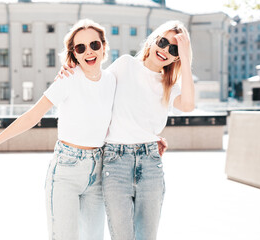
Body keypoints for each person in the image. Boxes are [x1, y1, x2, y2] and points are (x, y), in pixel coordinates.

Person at [0, 19, 117, 240]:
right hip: (67, 170)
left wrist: (155, 137)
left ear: (103, 46)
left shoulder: (112, 80)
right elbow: (32, 116)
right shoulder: (67, 80)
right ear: (74, 54)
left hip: (98, 172)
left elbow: (128, 113)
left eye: (94, 44)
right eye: (80, 47)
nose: (89, 52)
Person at [58, 20, 195, 240]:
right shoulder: (125, 65)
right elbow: (96, 83)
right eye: (162, 42)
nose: (165, 50)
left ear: (177, 57)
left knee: (146, 237)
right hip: (116, 162)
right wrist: (71, 68)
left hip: (150, 162)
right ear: (153, 41)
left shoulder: (169, 85)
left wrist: (186, 60)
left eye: (174, 50)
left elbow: (188, 105)